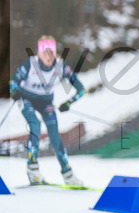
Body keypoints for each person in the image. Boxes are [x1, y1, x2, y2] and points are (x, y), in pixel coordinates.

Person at [9, 35, 85, 186]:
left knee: (55, 135)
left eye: (51, 52)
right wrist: (14, 92)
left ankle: (68, 174)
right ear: (39, 53)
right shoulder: (30, 64)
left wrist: (69, 103)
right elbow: (14, 81)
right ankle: (33, 169)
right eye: (45, 53)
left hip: (46, 102)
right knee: (35, 126)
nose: (48, 56)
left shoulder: (61, 66)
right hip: (27, 99)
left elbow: (81, 89)